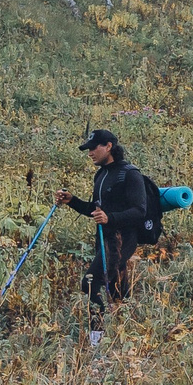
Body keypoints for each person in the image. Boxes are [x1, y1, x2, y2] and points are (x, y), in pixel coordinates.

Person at [57, 128, 147, 345]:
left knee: (91, 282)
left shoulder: (130, 174)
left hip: (123, 238)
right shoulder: (101, 174)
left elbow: (139, 211)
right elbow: (96, 211)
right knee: (117, 287)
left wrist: (111, 219)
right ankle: (127, 337)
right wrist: (73, 201)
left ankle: (96, 342)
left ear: (108, 146)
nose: (89, 153)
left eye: (93, 148)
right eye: (88, 149)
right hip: (104, 238)